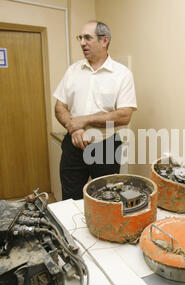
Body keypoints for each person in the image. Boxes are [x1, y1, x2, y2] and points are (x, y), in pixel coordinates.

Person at [53, 21, 137, 200]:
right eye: (80, 38)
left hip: (106, 148)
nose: (82, 42)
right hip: (73, 146)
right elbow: (59, 107)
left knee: (106, 200)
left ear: (104, 40)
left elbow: (124, 115)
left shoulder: (122, 74)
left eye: (88, 38)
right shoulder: (73, 71)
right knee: (70, 199)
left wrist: (84, 120)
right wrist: (74, 127)